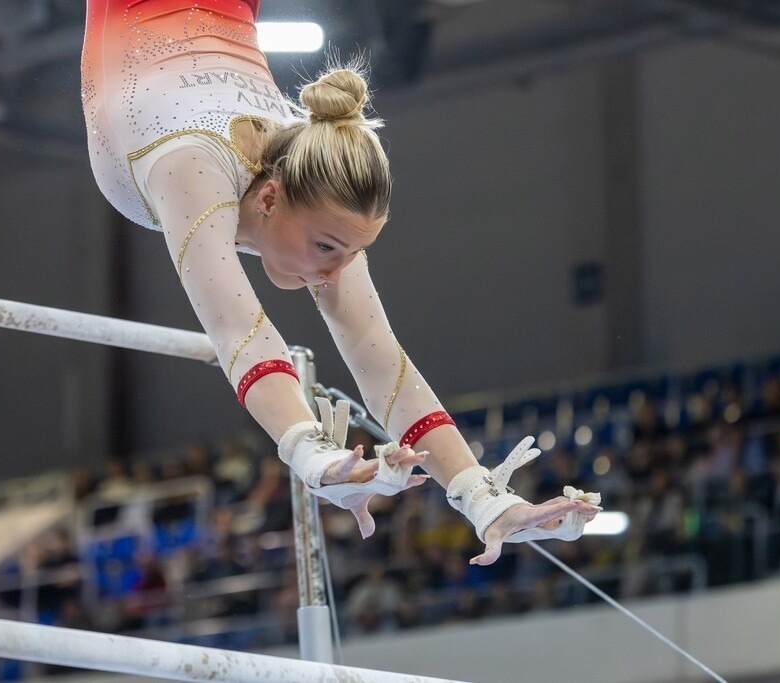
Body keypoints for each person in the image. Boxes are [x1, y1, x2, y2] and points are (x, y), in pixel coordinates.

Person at [81, 0, 600, 565]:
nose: (334, 270)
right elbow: (237, 329)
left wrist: (484, 501)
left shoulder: (312, 184)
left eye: (351, 253)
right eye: (327, 248)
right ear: (270, 197)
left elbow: (378, 357)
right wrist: (313, 455)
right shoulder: (192, 165)